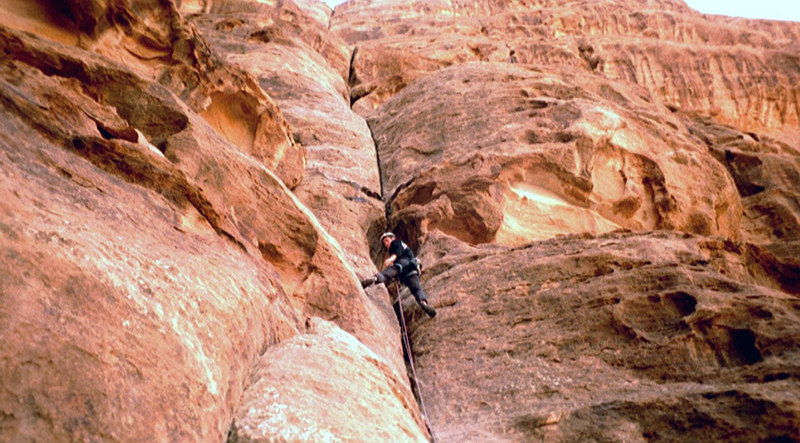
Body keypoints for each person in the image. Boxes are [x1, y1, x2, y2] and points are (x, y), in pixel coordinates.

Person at [360, 232, 436, 318]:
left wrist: (391, 259)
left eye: (386, 240)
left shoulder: (396, 242)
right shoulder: (407, 249)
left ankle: (373, 279)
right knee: (416, 289)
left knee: (388, 273)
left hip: (403, 264)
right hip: (411, 270)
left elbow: (398, 251)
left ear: (393, 238)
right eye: (384, 243)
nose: (386, 244)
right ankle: (423, 302)